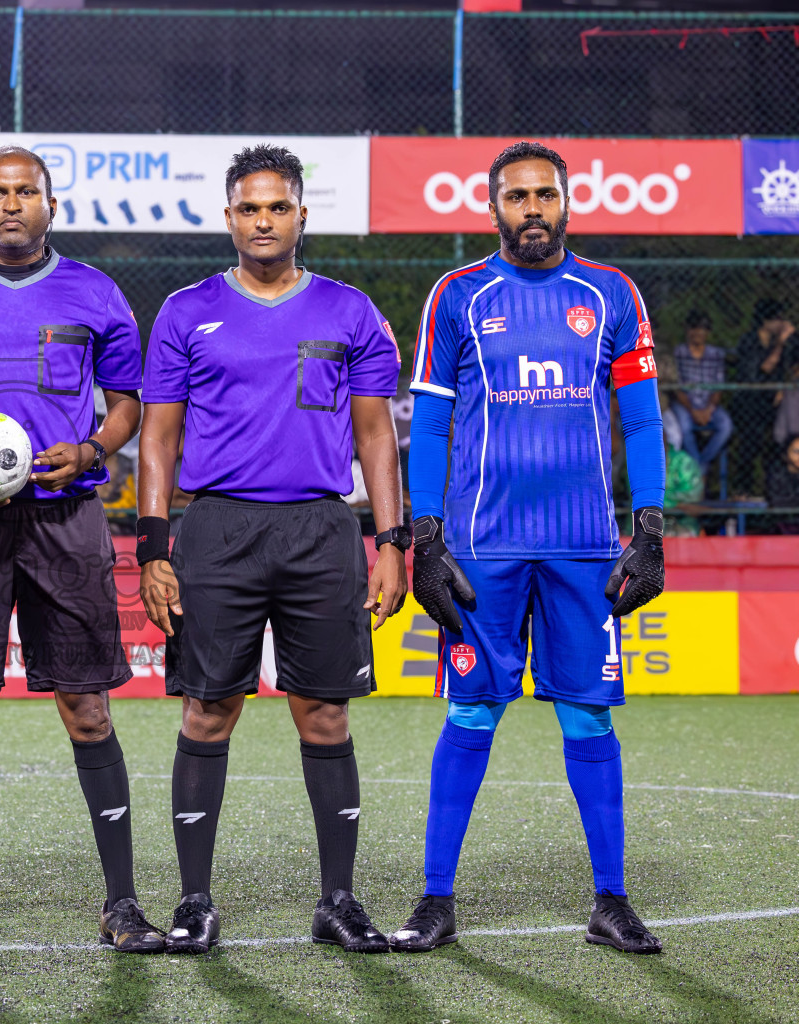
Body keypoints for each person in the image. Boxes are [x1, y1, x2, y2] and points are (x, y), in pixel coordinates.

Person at [395, 141, 666, 955]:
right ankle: (437, 900)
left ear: (567, 200)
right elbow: (435, 423)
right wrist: (425, 535)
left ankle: (610, 901)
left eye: (545, 193)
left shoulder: (612, 294)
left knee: (589, 716)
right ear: (494, 208)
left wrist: (649, 526)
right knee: (472, 708)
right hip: (482, 549)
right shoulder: (458, 296)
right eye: (516, 196)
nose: (533, 209)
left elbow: (644, 417)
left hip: (586, 549)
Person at [0, 145, 162, 954]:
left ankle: (121, 902)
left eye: (26, 191)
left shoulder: (95, 292)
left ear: (49, 203)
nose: (11, 204)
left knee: (87, 707)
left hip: (67, 519)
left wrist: (91, 449)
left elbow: (127, 406)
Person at [138, 144, 407, 955]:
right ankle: (193, 903)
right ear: (228, 218)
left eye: (278, 207)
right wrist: (154, 547)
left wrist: (389, 540)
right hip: (216, 529)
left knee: (323, 712)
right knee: (208, 709)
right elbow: (158, 438)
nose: (264, 220)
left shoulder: (350, 311)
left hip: (322, 530)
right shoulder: (187, 311)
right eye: (249, 208)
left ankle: (339, 901)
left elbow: (375, 437)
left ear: (300, 216)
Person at [729, 299, 796, 497]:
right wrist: (781, 344)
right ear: (765, 321)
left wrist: (781, 389)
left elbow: (785, 370)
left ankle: (772, 491)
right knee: (751, 442)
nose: (781, 323)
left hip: (769, 402)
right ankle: (743, 490)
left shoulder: (778, 344)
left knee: (776, 444)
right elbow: (763, 369)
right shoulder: (749, 341)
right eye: (777, 319)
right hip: (749, 402)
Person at [669, 310, 730, 475]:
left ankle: (701, 465)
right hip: (685, 404)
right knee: (684, 426)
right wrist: (693, 411)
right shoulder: (678, 353)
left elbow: (719, 386)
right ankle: (697, 468)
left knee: (725, 426)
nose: (697, 333)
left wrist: (709, 409)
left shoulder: (716, 354)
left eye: (702, 329)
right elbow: (677, 386)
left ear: (707, 332)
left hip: (708, 404)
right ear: (687, 331)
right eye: (693, 328)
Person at [764, 434, 799, 535]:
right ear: (786, 453)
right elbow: (776, 501)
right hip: (784, 524)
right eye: (796, 452)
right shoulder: (777, 474)